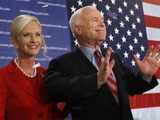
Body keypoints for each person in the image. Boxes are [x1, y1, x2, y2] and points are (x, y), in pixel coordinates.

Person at [44, 6, 160, 120]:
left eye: (102, 21)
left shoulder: (112, 57)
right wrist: (96, 80)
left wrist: (146, 75)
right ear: (78, 29)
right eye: (95, 20)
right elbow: (53, 91)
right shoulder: (62, 63)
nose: (102, 24)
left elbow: (131, 87)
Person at [0, 15, 65, 120]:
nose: (34, 40)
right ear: (15, 41)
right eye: (27, 35)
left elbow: (54, 115)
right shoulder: (2, 77)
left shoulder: (47, 74)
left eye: (37, 34)